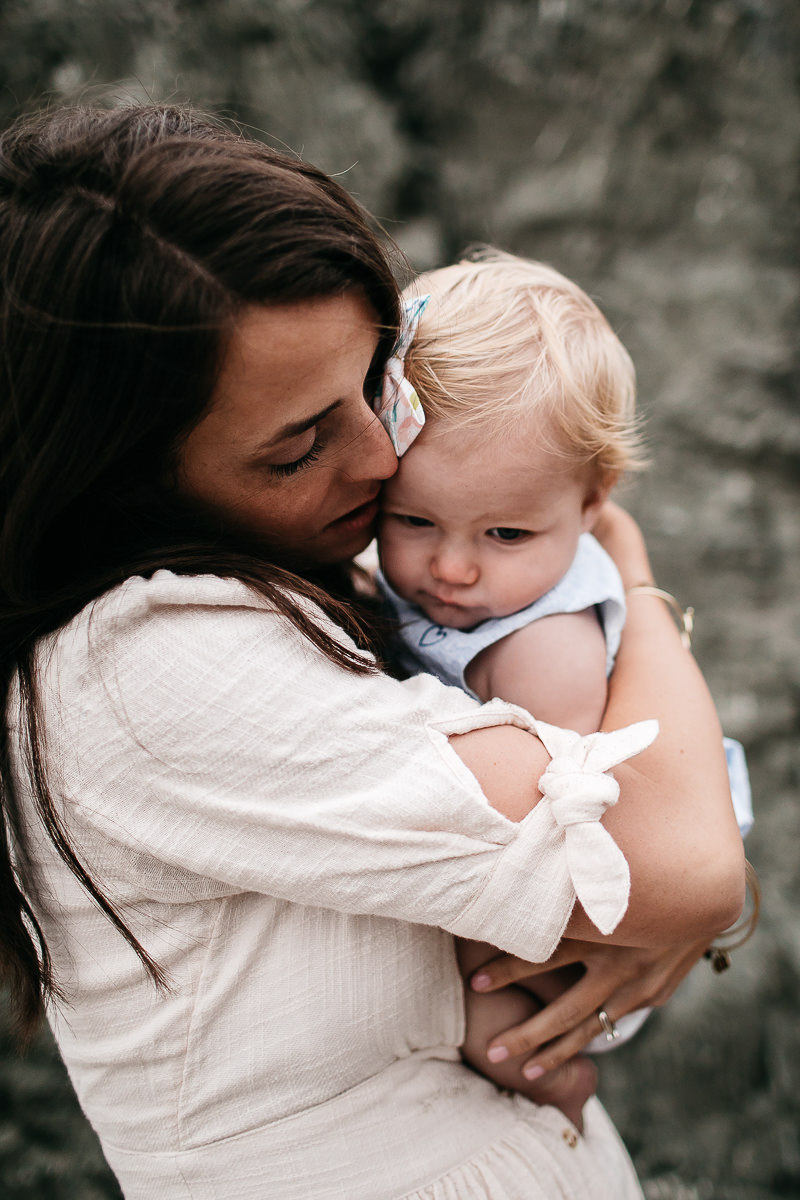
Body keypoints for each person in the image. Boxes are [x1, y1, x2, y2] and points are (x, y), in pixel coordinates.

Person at [0, 104, 744, 1200]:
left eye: (377, 384)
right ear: (123, 477)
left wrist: (684, 909)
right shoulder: (144, 670)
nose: (382, 454)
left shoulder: (320, 582)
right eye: (300, 443)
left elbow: (682, 883)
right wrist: (627, 575)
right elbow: (682, 868)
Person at [376, 252, 754, 1105]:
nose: (452, 566)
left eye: (505, 534)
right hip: (632, 883)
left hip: (613, 911)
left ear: (594, 503)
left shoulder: (544, 645)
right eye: (412, 519)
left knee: (471, 1004)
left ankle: (556, 1086)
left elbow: (573, 815)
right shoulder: (473, 560)